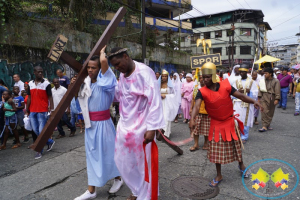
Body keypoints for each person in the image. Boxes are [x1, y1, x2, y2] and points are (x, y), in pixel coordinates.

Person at [190, 62, 263, 187]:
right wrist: (192, 118)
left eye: (207, 77)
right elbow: (197, 106)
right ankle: (219, 174)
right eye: (203, 77)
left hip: (229, 122)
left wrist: (253, 101)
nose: (205, 79)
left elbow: (240, 96)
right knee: (215, 151)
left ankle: (241, 166)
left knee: (237, 147)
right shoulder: (201, 91)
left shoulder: (226, 85)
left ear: (213, 76)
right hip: (216, 125)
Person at [109, 47, 164, 200]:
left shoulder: (144, 72)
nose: (117, 68)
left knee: (142, 165)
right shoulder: (122, 74)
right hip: (125, 126)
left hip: (142, 127)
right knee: (123, 161)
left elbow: (155, 101)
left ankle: (146, 195)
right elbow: (120, 96)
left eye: (118, 64)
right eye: (114, 66)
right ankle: (136, 190)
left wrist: (152, 128)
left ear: (126, 56)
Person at [74, 46, 123, 200]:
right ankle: (91, 190)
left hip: (104, 125)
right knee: (92, 156)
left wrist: (102, 56)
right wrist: (76, 90)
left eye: (93, 68)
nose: (90, 70)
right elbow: (78, 107)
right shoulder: (86, 84)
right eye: (88, 67)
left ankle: (118, 179)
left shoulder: (106, 83)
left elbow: (105, 69)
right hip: (90, 126)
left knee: (109, 154)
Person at [27, 66, 55, 159]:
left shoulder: (46, 83)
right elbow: (29, 97)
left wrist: (52, 109)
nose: (40, 73)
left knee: (41, 131)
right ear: (34, 72)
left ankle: (39, 151)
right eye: (38, 72)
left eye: (41, 72)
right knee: (35, 130)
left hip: (42, 110)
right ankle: (50, 142)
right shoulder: (30, 83)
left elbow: (50, 97)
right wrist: (27, 109)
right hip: (32, 110)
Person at [232, 65, 258, 143]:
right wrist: (237, 91)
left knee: (244, 120)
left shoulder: (251, 82)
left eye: (243, 72)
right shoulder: (236, 81)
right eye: (240, 72)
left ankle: (244, 136)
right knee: (237, 119)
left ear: (247, 72)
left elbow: (256, 93)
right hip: (237, 103)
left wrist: (249, 92)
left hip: (247, 104)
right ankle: (236, 134)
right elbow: (231, 92)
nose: (241, 73)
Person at [189, 72, 210, 151]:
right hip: (197, 111)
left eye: (203, 78)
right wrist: (191, 108)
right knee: (195, 129)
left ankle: (206, 143)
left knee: (206, 129)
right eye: (200, 78)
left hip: (206, 112)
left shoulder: (209, 88)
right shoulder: (196, 87)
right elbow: (193, 99)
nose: (202, 79)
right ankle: (196, 144)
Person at [258, 67, 281, 132]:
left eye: (266, 73)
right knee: (264, 111)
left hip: (272, 97)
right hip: (264, 96)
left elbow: (277, 91)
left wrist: (277, 99)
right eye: (264, 73)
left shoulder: (276, 81)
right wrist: (259, 98)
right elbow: (260, 90)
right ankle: (264, 126)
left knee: (270, 112)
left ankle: (268, 124)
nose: (264, 74)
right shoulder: (263, 81)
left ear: (270, 74)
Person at [158, 70, 178, 138]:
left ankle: (166, 134)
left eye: (165, 76)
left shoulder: (170, 85)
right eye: (163, 76)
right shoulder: (158, 84)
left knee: (166, 118)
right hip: (160, 104)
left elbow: (174, 95)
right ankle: (160, 133)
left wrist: (166, 96)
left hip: (167, 104)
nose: (164, 77)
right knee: (160, 118)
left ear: (167, 77)